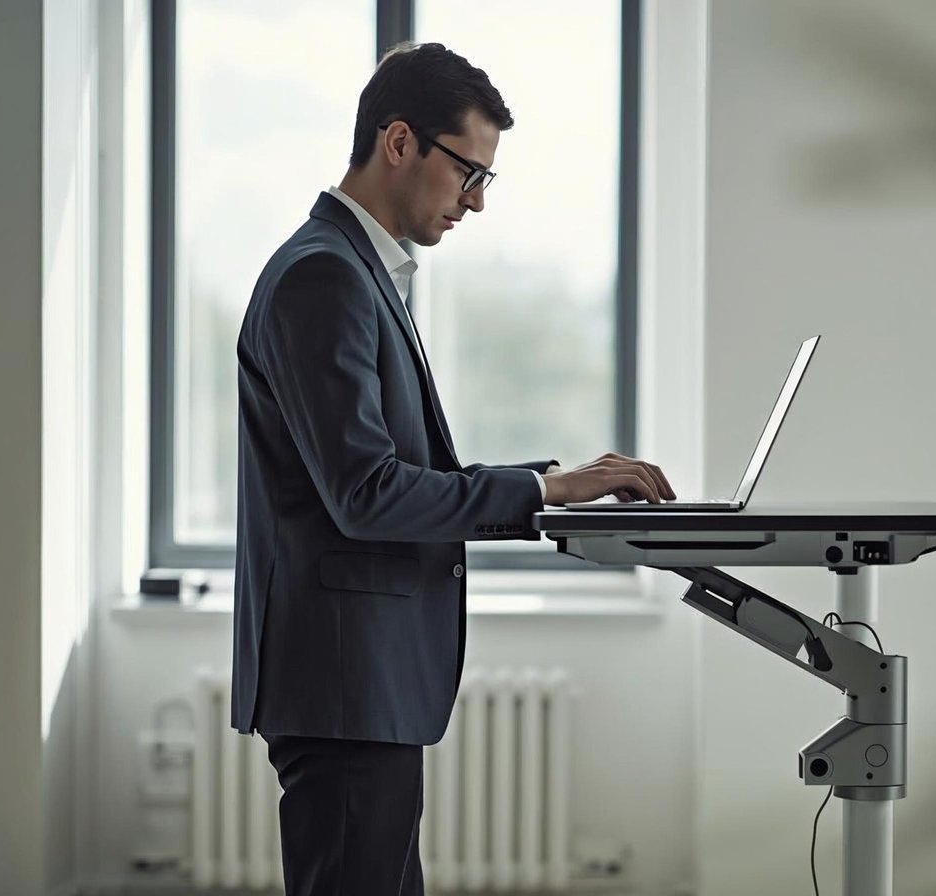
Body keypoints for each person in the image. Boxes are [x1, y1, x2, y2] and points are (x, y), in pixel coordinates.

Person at [229, 42, 675, 895]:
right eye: (468, 172)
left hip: (361, 686)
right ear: (400, 143)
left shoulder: (357, 272)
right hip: (345, 685)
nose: (475, 203)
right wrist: (546, 491)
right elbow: (365, 493)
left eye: (486, 182)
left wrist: (556, 491)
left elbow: (387, 475)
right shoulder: (323, 277)